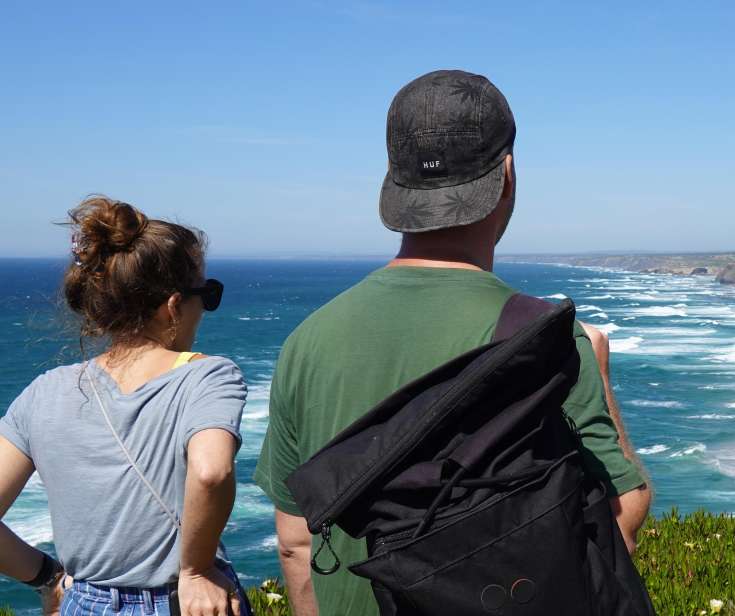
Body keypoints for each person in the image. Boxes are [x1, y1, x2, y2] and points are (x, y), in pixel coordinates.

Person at [253, 69, 652, 616]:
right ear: (507, 174)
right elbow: (617, 526)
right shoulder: (546, 342)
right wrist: (598, 375)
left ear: (394, 182)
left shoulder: (305, 344)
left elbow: (296, 541)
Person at [0, 197, 252, 616]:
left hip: (83, 601)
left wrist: (47, 577)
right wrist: (196, 570)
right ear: (173, 305)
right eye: (206, 294)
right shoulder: (208, 376)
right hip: (178, 602)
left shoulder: (44, 391)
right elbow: (211, 472)